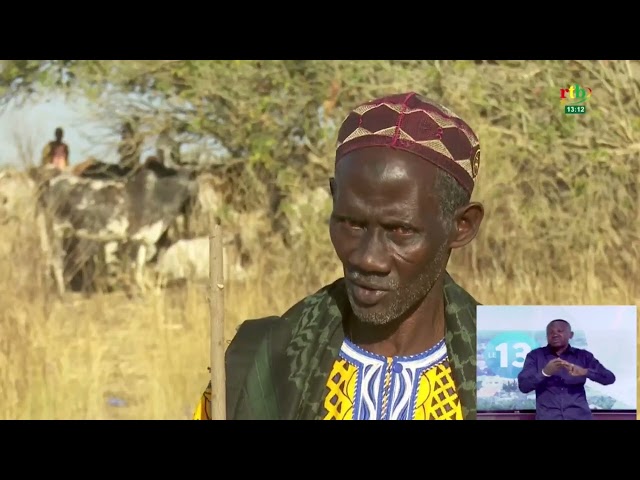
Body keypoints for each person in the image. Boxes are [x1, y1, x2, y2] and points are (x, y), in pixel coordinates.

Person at [193, 92, 485, 420]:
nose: (368, 259)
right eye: (351, 223)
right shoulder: (259, 363)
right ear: (334, 199)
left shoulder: (516, 374)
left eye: (400, 231)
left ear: (462, 226)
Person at [517, 319, 616, 420]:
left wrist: (585, 372)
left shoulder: (583, 356)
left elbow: (609, 378)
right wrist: (545, 372)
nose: (555, 334)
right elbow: (523, 386)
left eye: (560, 331)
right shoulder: (535, 356)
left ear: (571, 334)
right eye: (551, 332)